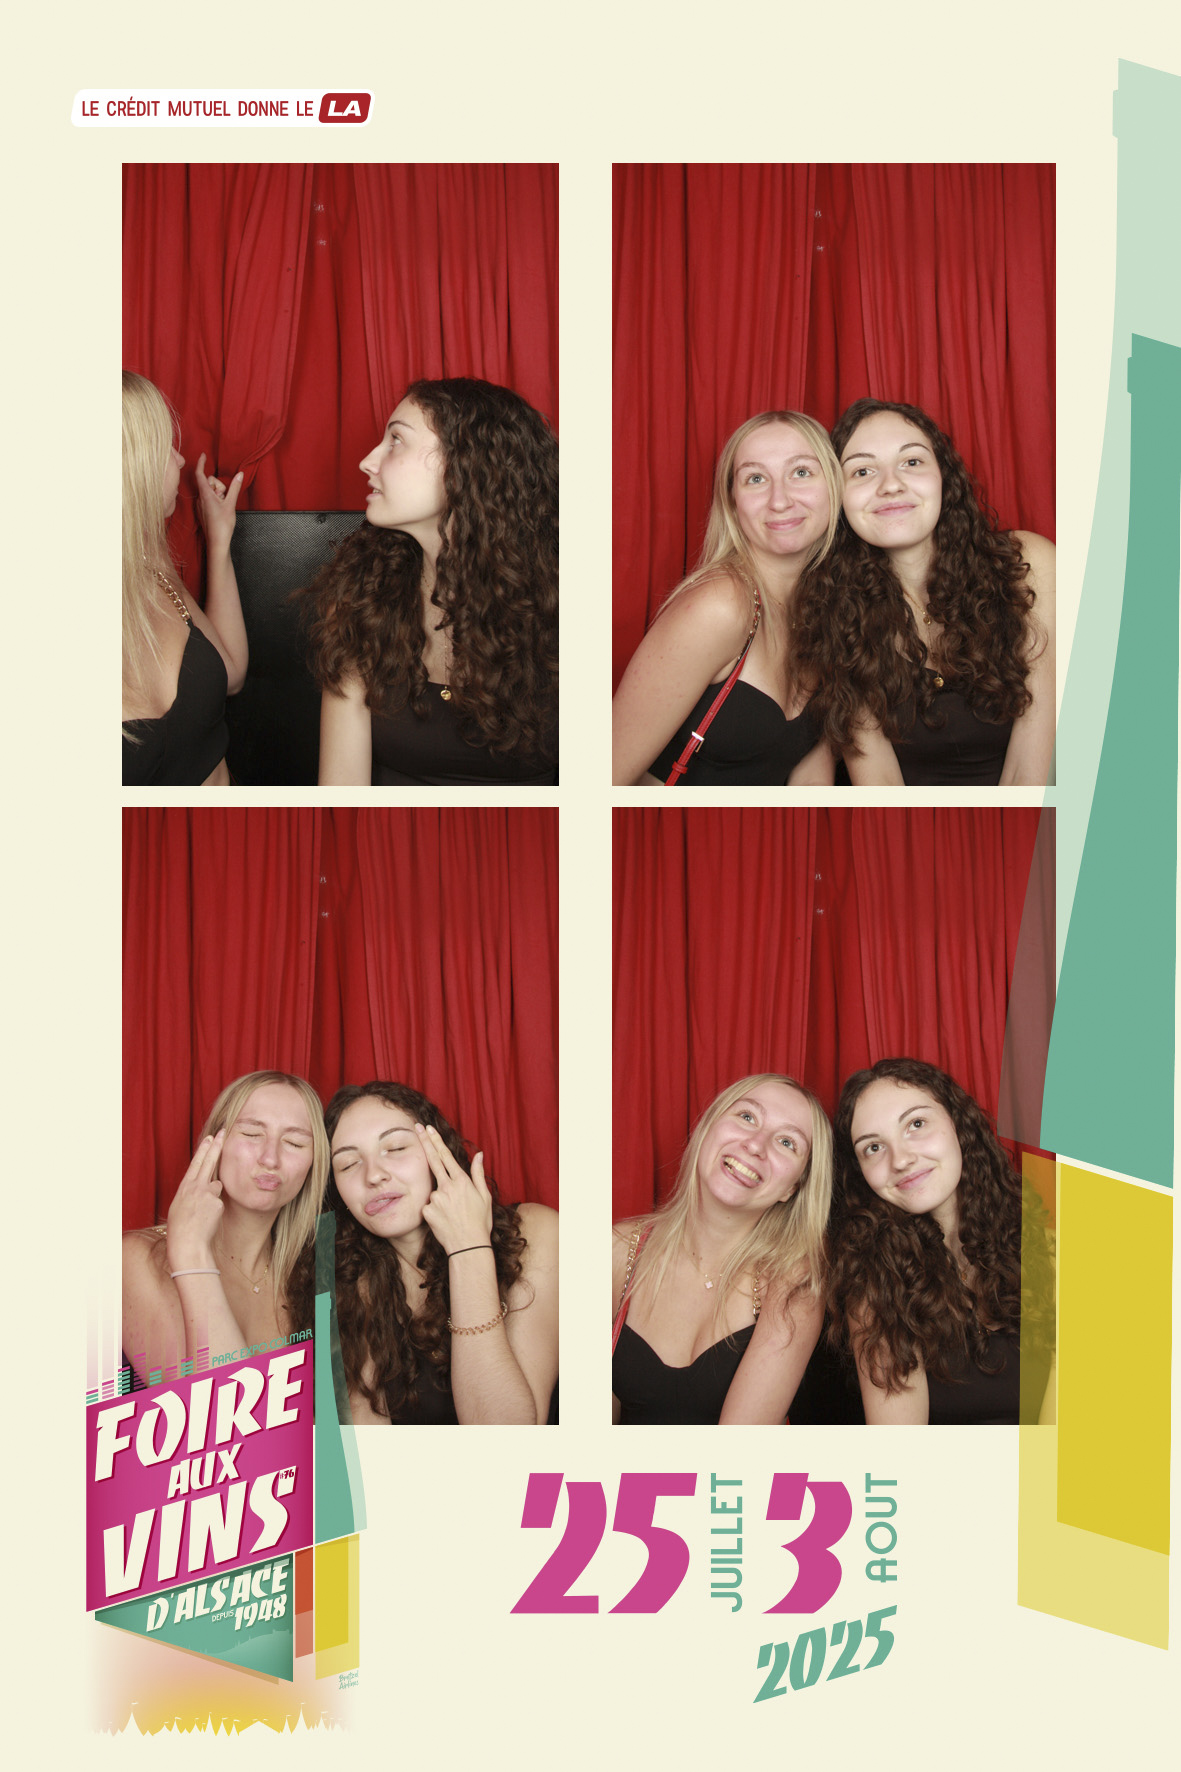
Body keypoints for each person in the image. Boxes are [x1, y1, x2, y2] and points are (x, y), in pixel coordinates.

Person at [305, 378, 558, 786]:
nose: (367, 461)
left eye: (396, 441)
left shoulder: (559, 607)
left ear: (466, 464)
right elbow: (341, 786)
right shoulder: (363, 595)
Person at [796, 399, 1055, 786]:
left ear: (944, 476)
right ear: (838, 498)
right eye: (863, 471)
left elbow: (1029, 775)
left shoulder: (1028, 566)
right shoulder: (834, 610)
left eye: (912, 461)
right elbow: (880, 786)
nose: (891, 484)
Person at [613, 411, 864, 786]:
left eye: (800, 472)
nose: (780, 500)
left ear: (834, 485)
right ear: (732, 503)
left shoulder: (831, 608)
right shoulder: (720, 605)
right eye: (756, 479)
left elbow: (810, 777)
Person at [292, 1082, 558, 1425]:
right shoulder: (347, 1284)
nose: (373, 1175)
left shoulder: (534, 1233)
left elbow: (507, 1436)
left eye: (395, 1148)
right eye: (348, 1164)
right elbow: (365, 1447)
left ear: (439, 1150)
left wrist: (468, 1247)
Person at [828, 1057, 1054, 1424]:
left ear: (957, 1123)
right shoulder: (873, 1281)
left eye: (916, 1124)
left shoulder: (1053, 1250)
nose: (900, 1160)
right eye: (873, 1147)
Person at [612, 1075, 832, 1425]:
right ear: (707, 1129)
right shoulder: (618, 1250)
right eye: (747, 1117)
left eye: (787, 1142)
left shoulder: (794, 1285)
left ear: (792, 1189)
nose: (756, 1145)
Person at [122, 1071, 330, 1385]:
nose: (270, 1159)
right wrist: (191, 1253)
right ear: (214, 1144)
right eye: (251, 1134)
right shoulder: (136, 1258)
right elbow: (221, 1410)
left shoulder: (313, 1280)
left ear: (314, 1164)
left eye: (294, 1142)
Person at [122, 371, 249, 784]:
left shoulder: (149, 561)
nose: (180, 460)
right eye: (166, 446)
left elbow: (230, 673)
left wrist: (219, 540)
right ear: (131, 464)